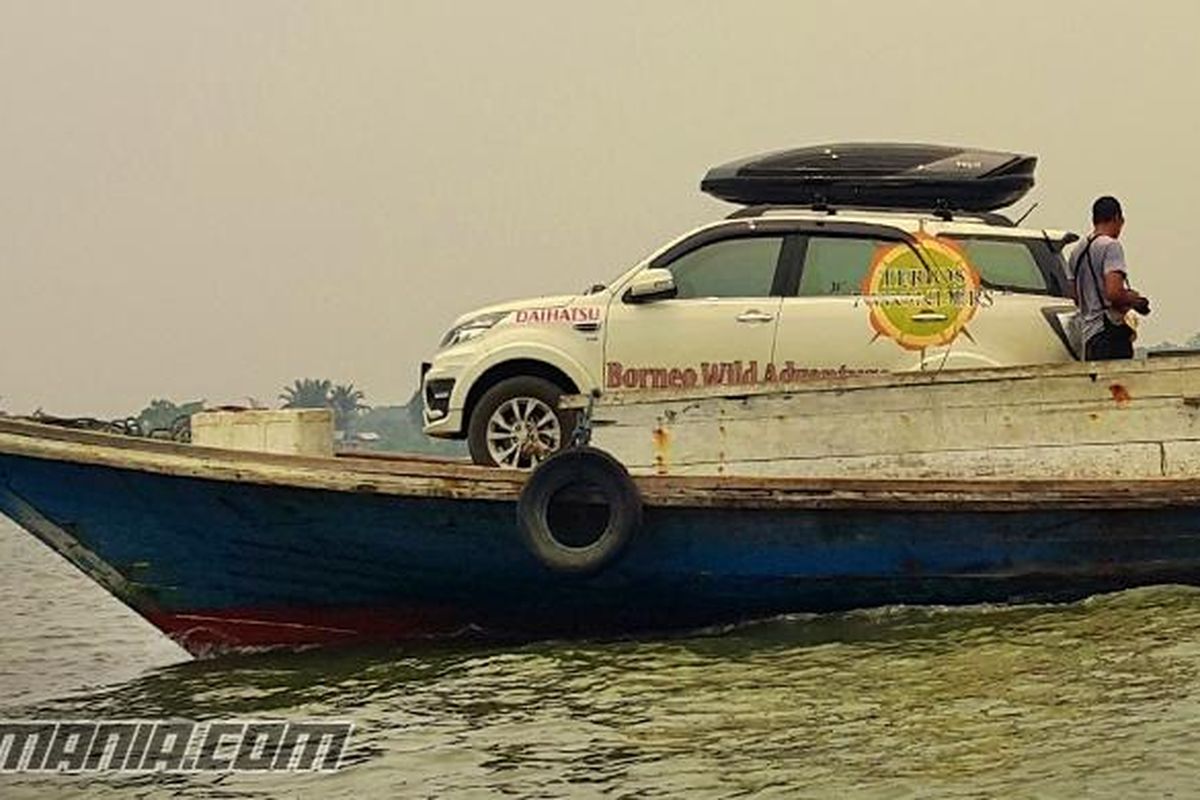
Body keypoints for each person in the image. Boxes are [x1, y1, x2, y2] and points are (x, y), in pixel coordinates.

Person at [1066, 196, 1150, 360]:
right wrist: (1133, 299)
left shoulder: (1077, 251)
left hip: (1089, 336)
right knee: (1119, 384)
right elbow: (1113, 293)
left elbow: (1075, 296)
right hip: (1109, 336)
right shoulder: (1111, 246)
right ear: (1118, 218)